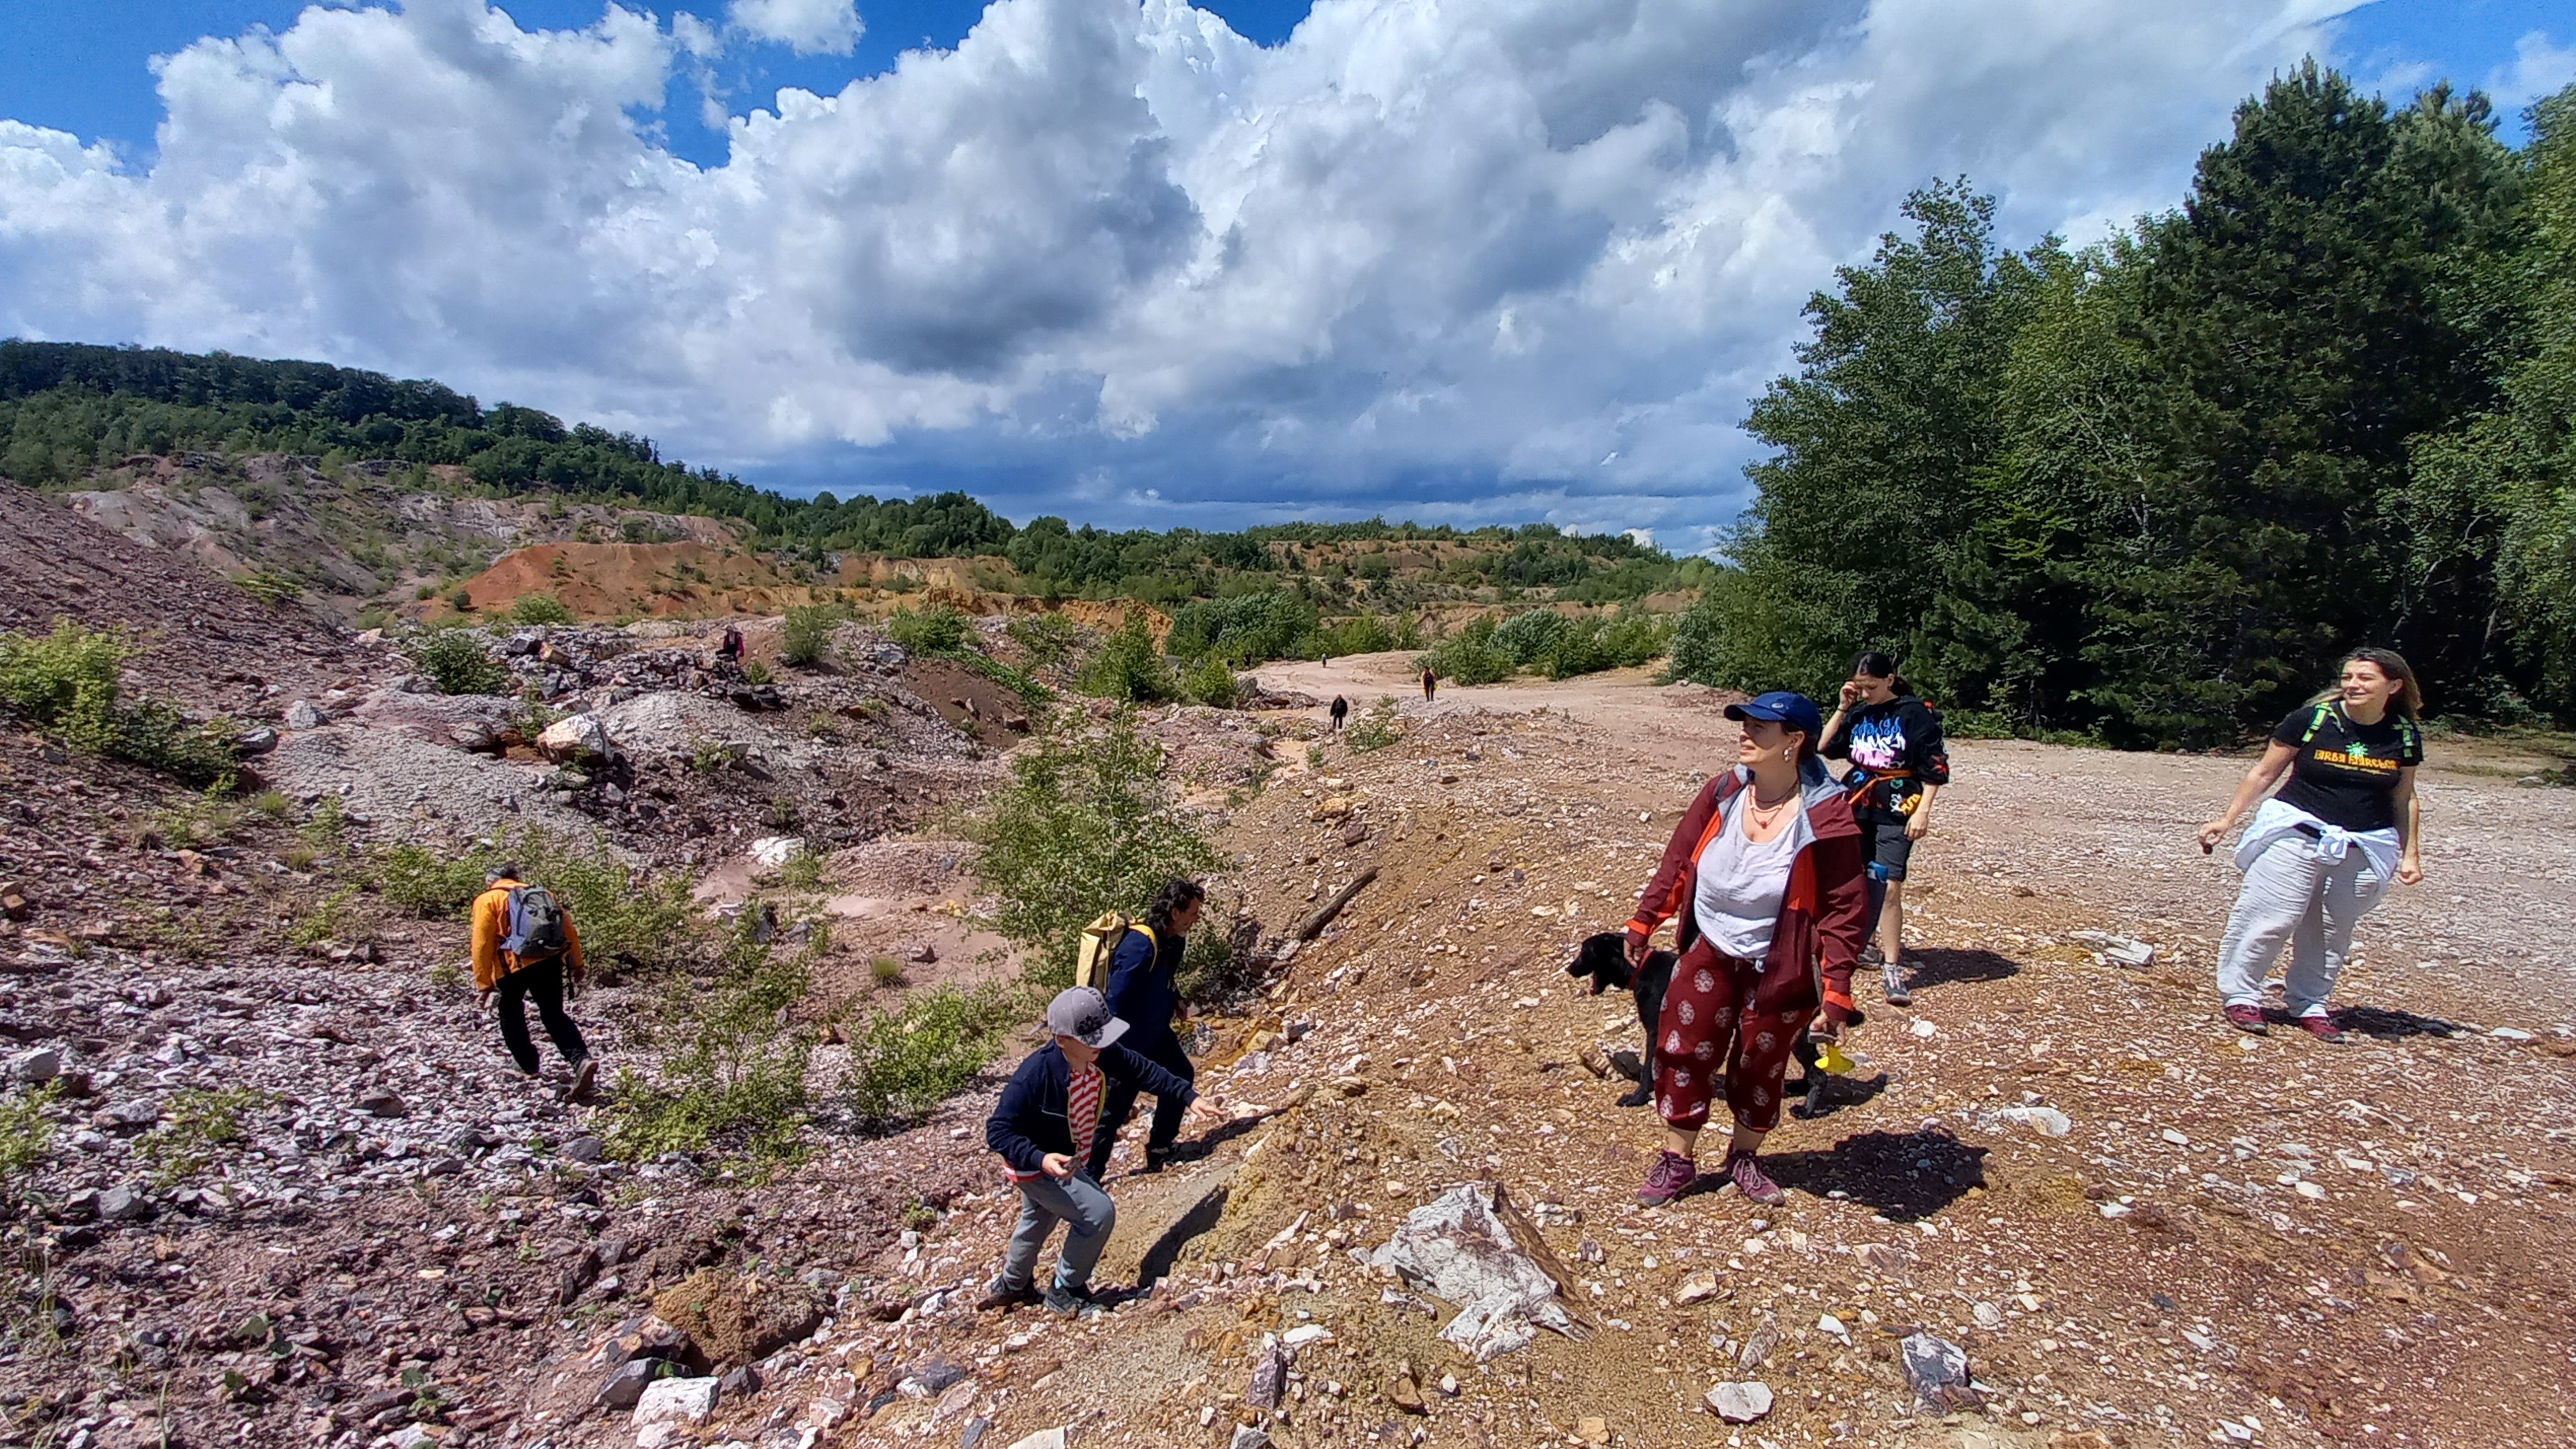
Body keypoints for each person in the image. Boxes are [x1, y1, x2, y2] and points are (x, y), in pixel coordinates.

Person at [1622, 691, 1868, 1208]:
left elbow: (1844, 908)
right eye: (1745, 723)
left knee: (1762, 1064)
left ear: (1794, 740)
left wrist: (1838, 990)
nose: (1745, 733)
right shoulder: (1725, 792)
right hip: (1710, 946)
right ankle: (1678, 1160)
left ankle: (1743, 1157)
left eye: (1759, 727)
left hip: (1781, 962)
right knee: (1683, 1050)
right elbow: (1678, 859)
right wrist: (1645, 920)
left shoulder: (1826, 815)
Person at [2197, 648, 2427, 1041]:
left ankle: (2310, 1003)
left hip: (2364, 843)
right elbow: (2264, 772)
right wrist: (2227, 818)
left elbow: (2404, 796)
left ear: (2393, 686)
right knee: (2270, 917)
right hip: (2297, 832)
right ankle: (2241, 995)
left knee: (2332, 929)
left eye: (2365, 678)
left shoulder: (2403, 734)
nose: (2353, 684)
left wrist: (2410, 854)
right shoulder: (2312, 720)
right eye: (2348, 676)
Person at [979, 987, 1206, 1316]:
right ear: (1061, 1039)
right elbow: (998, 1131)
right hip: (1036, 1163)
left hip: (1060, 1157)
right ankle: (1066, 1289)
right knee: (1097, 1213)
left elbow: (1143, 1070)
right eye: (1092, 1038)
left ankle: (1012, 1285)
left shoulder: (1099, 1054)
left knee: (1037, 1218)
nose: (1101, 1044)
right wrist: (1041, 1159)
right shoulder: (1034, 1075)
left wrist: (1187, 1096)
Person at [1819, 653, 1950, 1005]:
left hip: (1898, 803)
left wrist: (1922, 813)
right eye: (1860, 688)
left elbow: (1935, 767)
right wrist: (1843, 707)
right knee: (1857, 877)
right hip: (1858, 801)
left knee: (1890, 883)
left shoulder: (1914, 713)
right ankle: (1861, 943)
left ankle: (1892, 966)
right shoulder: (1860, 713)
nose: (1865, 694)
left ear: (1889, 680)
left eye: (1871, 687)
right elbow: (1824, 747)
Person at [1087, 880, 1207, 1178]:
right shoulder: (1140, 945)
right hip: (1128, 1044)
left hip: (1156, 1033)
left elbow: (1164, 978)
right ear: (1175, 912)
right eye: (1192, 913)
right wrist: (1107, 1050)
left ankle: (1160, 1149)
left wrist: (1176, 999)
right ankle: (1089, 1177)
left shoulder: (1174, 942)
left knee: (1181, 1075)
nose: (1196, 919)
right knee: (1112, 1112)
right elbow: (1115, 998)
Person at [470, 864, 598, 1099]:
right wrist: (576, 964)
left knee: (510, 1011)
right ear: (515, 877)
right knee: (553, 1013)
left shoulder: (488, 899)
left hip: (512, 965)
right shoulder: (543, 894)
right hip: (549, 960)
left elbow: (482, 943)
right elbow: (568, 930)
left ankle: (526, 1064)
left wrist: (484, 983)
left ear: (490, 882)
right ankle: (581, 1059)